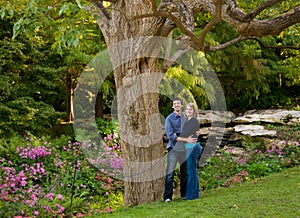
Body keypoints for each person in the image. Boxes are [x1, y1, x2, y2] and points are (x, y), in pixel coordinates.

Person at [163, 98, 197, 202]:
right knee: (170, 174)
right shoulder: (169, 119)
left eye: (178, 103)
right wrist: (184, 137)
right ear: (173, 106)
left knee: (185, 173)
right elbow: (171, 136)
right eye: (174, 104)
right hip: (173, 149)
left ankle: (184, 195)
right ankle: (167, 197)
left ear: (181, 105)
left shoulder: (186, 117)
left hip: (184, 149)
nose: (176, 105)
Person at [179, 102, 202, 200]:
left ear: (194, 111)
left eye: (190, 109)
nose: (188, 111)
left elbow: (184, 133)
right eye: (187, 109)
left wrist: (183, 135)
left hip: (192, 147)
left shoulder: (194, 121)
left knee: (191, 171)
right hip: (189, 147)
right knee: (193, 171)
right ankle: (195, 194)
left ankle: (191, 195)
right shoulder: (187, 121)